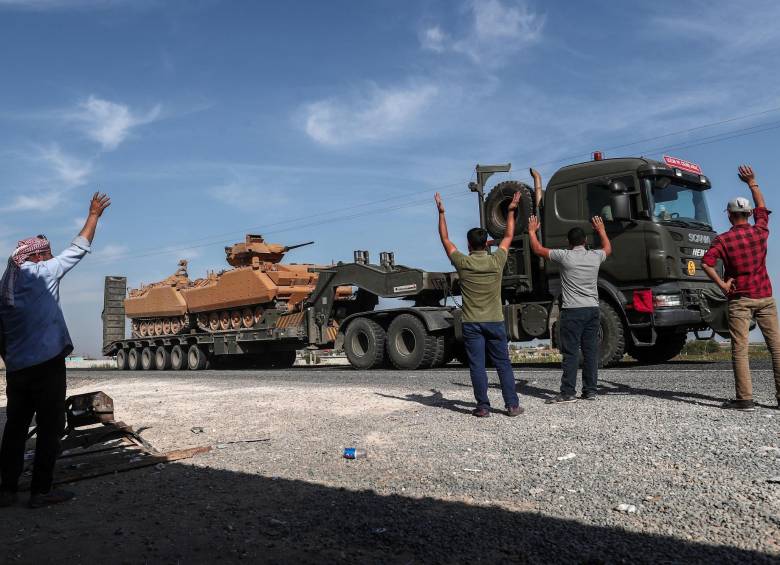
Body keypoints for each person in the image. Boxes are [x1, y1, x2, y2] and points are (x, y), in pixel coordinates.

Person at [0, 192, 111, 508]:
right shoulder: (43, 273)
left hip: (17, 370)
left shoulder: (5, 286)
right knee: (51, 428)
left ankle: (6, 490)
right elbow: (78, 248)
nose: (50, 258)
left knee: (16, 429)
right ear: (36, 258)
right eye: (46, 254)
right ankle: (41, 491)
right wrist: (93, 215)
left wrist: (11, 361)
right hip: (46, 366)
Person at [435, 191, 522, 417]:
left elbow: (445, 239)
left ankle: (483, 407)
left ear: (469, 244)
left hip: (472, 322)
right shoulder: (496, 261)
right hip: (495, 320)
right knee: (503, 363)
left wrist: (441, 213)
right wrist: (511, 210)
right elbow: (509, 234)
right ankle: (512, 405)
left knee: (478, 366)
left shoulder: (463, 262)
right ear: (486, 244)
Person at [701, 165, 780, 411]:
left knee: (740, 349)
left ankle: (744, 399)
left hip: (739, 299)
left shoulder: (723, 240)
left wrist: (723, 284)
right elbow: (762, 210)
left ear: (729, 215)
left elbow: (706, 263)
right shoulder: (760, 232)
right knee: (776, 348)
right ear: (748, 214)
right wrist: (752, 182)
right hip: (765, 295)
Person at [527, 215, 612, 403]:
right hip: (592, 310)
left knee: (571, 352)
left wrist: (532, 231)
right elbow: (608, 248)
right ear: (586, 241)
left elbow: (537, 249)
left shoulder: (564, 257)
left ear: (568, 242)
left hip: (573, 311)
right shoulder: (595, 256)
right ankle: (590, 391)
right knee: (590, 352)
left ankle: (568, 393)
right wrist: (601, 230)